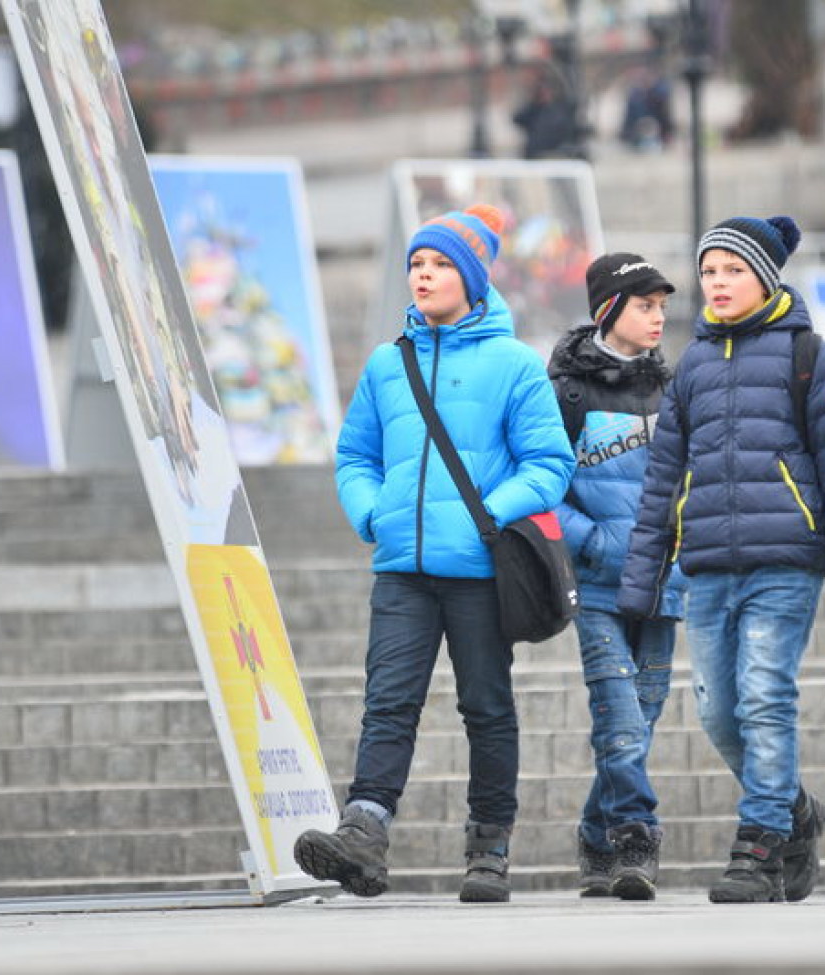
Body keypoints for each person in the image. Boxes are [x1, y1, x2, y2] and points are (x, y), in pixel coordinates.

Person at [293, 204, 575, 903]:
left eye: (441, 264)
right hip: (402, 571)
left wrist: (491, 516)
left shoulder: (515, 364)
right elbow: (356, 452)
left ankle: (489, 847)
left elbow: (549, 462)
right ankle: (363, 831)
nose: (424, 274)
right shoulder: (390, 362)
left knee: (486, 705)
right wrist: (371, 513)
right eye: (417, 263)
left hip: (482, 570)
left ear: (473, 280)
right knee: (387, 703)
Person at [617, 215, 825, 904]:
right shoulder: (694, 367)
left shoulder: (808, 355)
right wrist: (642, 579)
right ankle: (796, 811)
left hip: (785, 562)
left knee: (765, 696)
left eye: (733, 270)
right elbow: (662, 481)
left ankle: (760, 842)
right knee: (716, 711)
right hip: (707, 565)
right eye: (709, 271)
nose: (718, 282)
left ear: (765, 276)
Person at [548, 253, 687, 901]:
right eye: (644, 306)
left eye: (661, 306)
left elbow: (695, 478)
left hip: (664, 583)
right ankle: (635, 832)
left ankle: (593, 834)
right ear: (608, 310)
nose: (658, 318)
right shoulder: (567, 392)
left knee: (646, 712)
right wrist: (595, 540)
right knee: (621, 717)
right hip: (600, 584)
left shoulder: (674, 388)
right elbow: (544, 486)